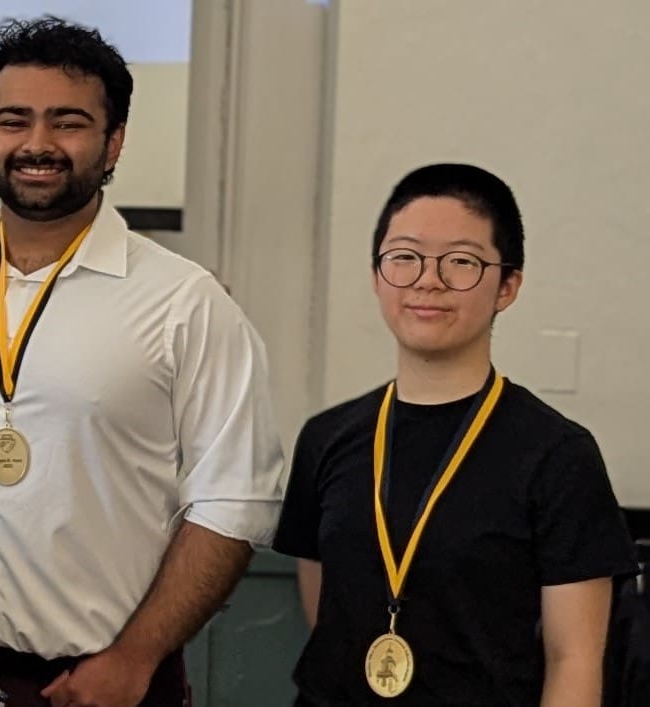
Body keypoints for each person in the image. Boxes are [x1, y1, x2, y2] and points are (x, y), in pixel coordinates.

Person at [0, 16, 284, 706]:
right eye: (13, 120)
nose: (37, 144)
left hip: (105, 681)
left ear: (114, 143)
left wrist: (135, 656)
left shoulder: (185, 302)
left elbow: (236, 498)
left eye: (68, 123)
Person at [273, 163, 636, 705]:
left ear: (507, 286)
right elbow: (326, 611)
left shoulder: (559, 455)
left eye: (462, 262)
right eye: (404, 257)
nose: (428, 279)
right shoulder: (327, 438)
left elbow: (574, 659)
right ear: (377, 275)